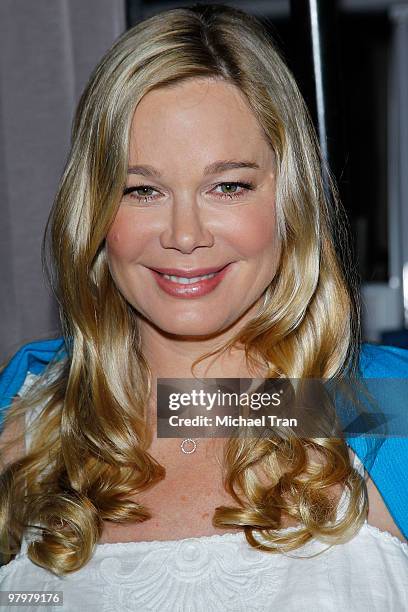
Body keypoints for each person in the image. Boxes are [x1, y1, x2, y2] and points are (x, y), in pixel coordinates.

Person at [0, 3, 407, 610]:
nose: (184, 234)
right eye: (142, 189)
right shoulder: (24, 419)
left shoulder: (385, 411)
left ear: (289, 199)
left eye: (228, 186)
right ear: (94, 211)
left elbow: (210, 407)